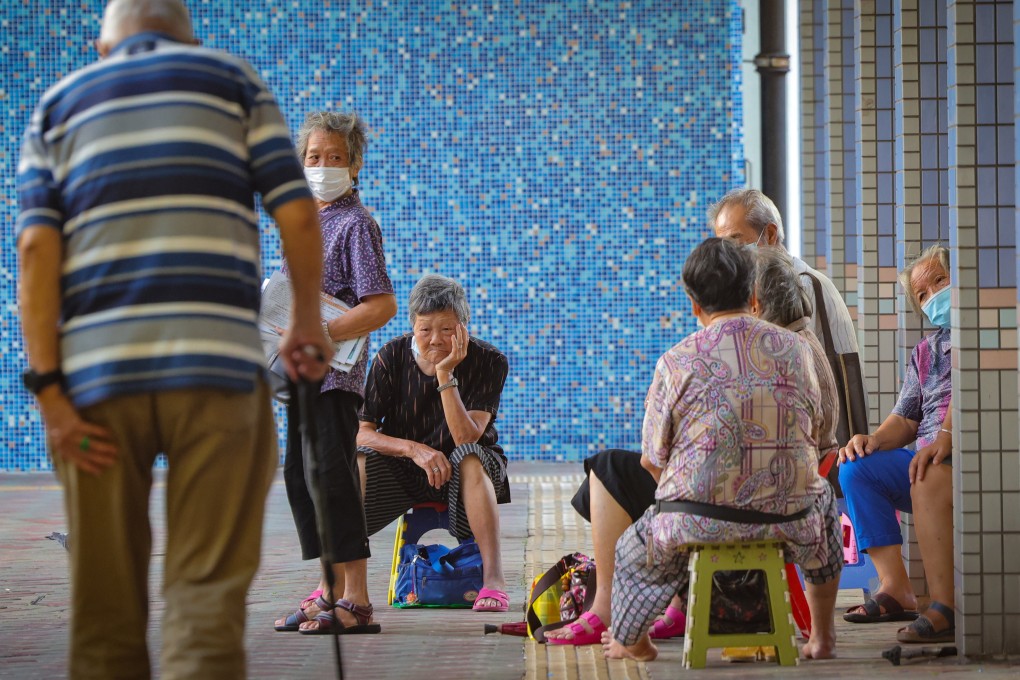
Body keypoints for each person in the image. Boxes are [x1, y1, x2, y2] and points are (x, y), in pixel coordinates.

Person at [16, 1, 331, 677]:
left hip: (97, 387)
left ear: (106, 41)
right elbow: (299, 214)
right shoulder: (233, 82)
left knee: (104, 618)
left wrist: (48, 393)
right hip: (216, 378)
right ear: (187, 34)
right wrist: (307, 323)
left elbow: (37, 252)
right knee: (204, 607)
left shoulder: (57, 106)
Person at [549, 243, 842, 656]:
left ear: (693, 305)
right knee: (825, 509)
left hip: (697, 523)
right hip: (793, 518)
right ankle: (823, 637)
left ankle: (636, 642)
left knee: (633, 550)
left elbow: (652, 458)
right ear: (754, 296)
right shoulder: (795, 349)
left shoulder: (676, 361)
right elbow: (817, 427)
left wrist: (683, 498)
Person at [273, 112, 397, 635]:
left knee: (333, 482)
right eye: (313, 157)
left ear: (355, 164)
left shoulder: (355, 224)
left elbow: (381, 306)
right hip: (301, 377)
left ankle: (357, 600)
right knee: (303, 480)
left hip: (335, 377)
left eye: (335, 157)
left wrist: (322, 335)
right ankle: (329, 590)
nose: (322, 166)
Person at [356, 274, 512, 612]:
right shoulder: (391, 357)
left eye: (447, 329)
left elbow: (466, 437)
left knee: (470, 455)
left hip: (469, 474)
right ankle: (343, 586)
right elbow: (362, 431)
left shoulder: (490, 360)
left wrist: (445, 375)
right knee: (357, 462)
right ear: (413, 326)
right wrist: (413, 449)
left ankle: (494, 581)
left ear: (463, 327)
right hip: (406, 469)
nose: (436, 340)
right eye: (425, 330)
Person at [838, 244, 955, 643]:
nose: (934, 296)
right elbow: (906, 418)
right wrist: (870, 440)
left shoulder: (993, 334)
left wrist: (946, 437)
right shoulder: (925, 352)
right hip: (924, 454)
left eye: (940, 281)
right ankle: (895, 589)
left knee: (926, 468)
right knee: (855, 468)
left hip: (967, 456)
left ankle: (943, 607)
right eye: (923, 294)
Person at [710, 188, 869, 446]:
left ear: (770, 234)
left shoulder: (796, 285)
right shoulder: (771, 283)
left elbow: (771, 361)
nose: (729, 257)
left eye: (736, 242)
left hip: (823, 440)